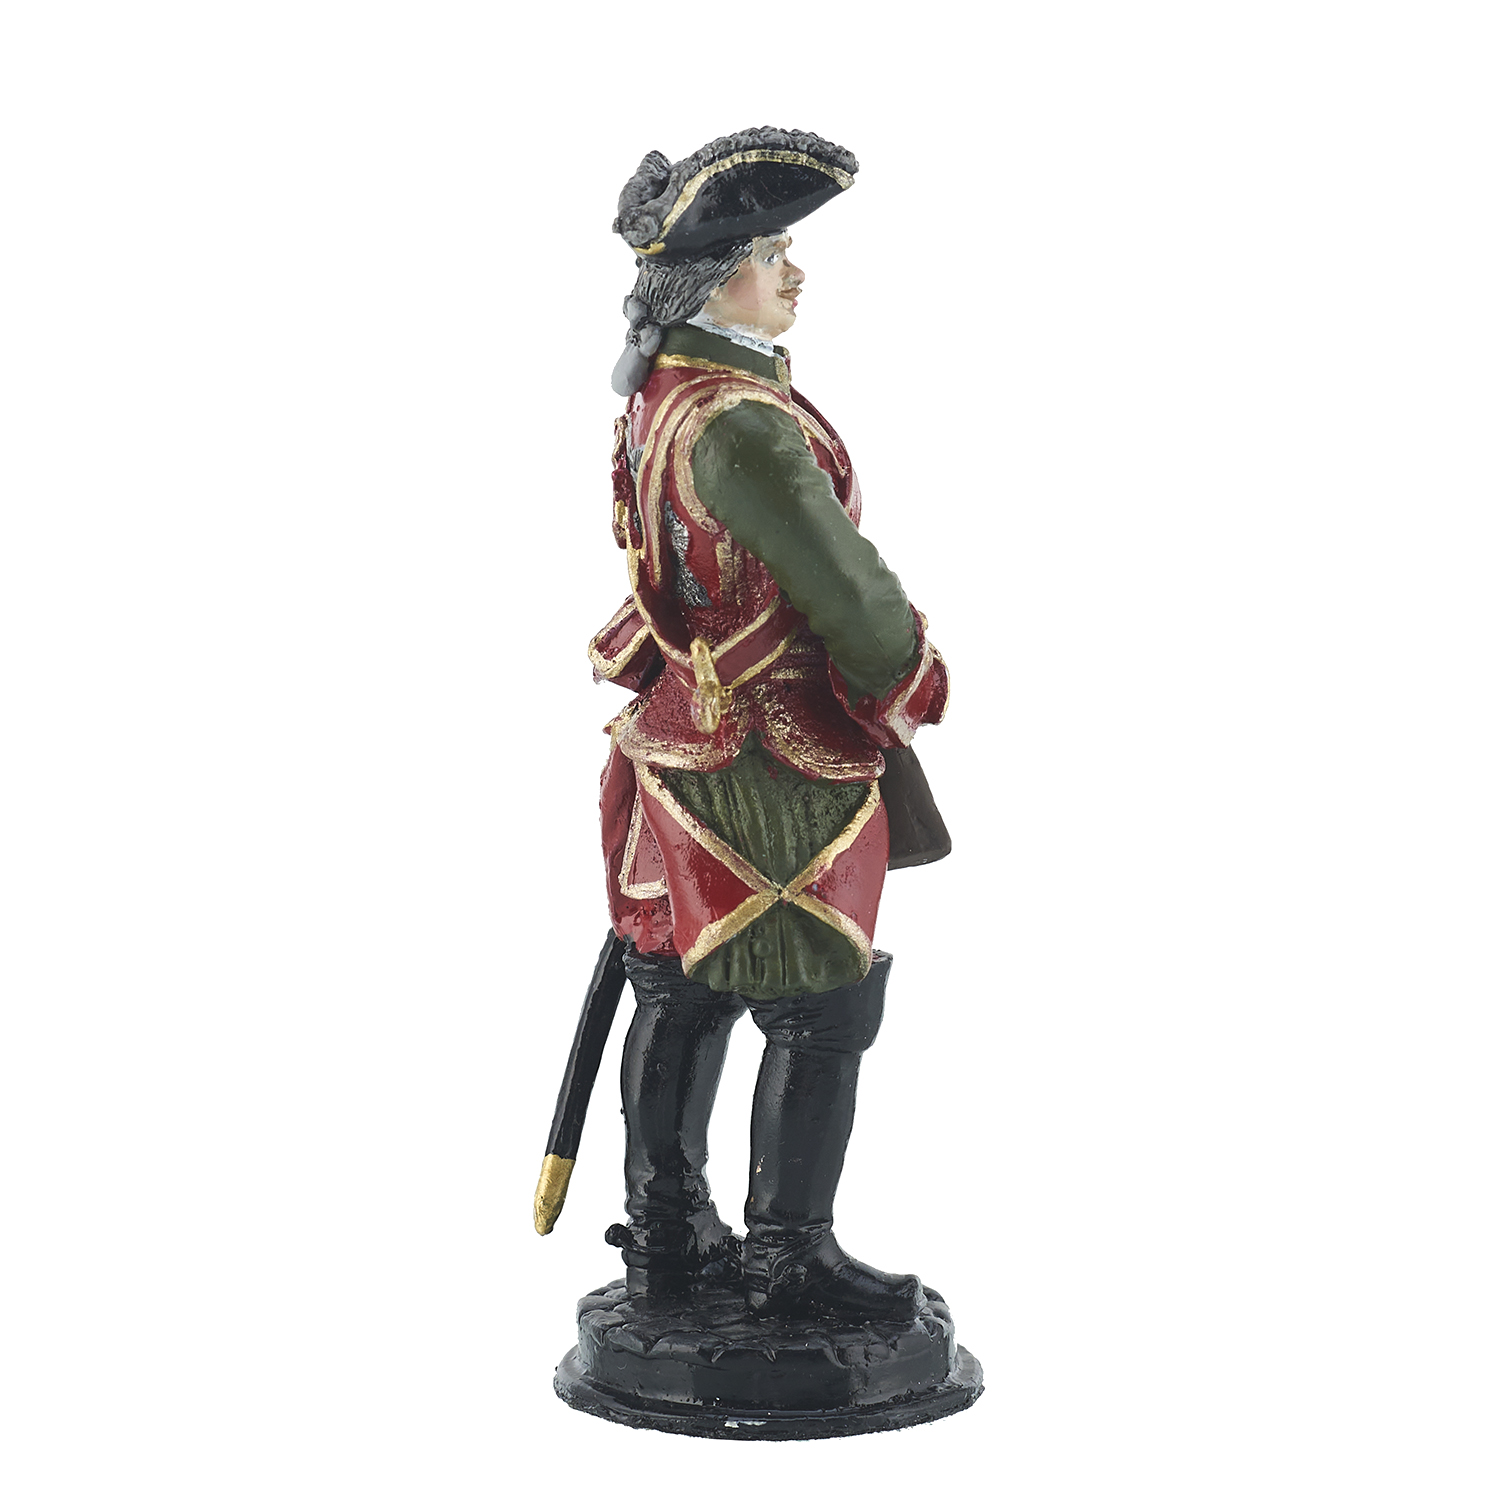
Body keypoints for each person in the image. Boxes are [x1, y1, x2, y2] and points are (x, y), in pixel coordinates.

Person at [591, 128, 950, 1320]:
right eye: (768, 254)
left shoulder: (664, 393)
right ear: (711, 282)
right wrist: (909, 677)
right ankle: (787, 1254)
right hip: (768, 755)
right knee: (820, 1006)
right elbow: (849, 591)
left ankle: (668, 1236)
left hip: (676, 734)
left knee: (677, 991)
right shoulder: (741, 422)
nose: (793, 272)